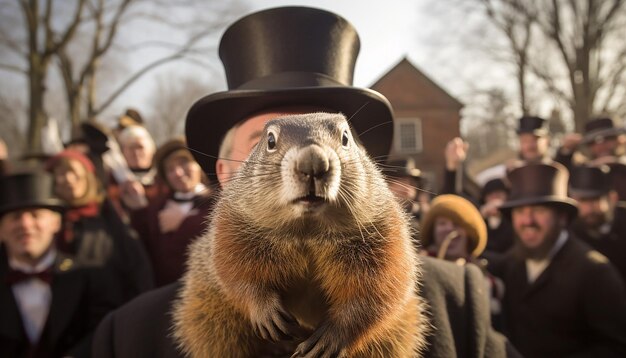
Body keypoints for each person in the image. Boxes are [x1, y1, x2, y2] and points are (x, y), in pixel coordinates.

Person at [93, 7, 519, 358]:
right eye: (266, 142)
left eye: (342, 139)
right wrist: (255, 300)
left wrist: (352, 324)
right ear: (225, 175)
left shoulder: (458, 303)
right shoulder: (131, 335)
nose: (315, 159)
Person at [490, 162, 626, 357]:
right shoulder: (511, 263)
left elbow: (618, 347)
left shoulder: (595, 272)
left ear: (561, 217)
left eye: (539, 210)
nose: (527, 221)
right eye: (520, 212)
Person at [0, 171, 119, 357]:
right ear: (1, 230)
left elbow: (104, 331)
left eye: (35, 215)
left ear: (56, 223)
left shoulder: (90, 276)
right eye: (15, 217)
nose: (25, 225)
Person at [45, 149, 153, 301]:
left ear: (88, 177)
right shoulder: (47, 220)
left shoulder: (109, 214)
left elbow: (137, 269)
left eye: (74, 172)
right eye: (61, 174)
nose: (69, 179)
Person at [124, 138, 213, 287]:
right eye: (170, 169)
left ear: (198, 165)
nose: (178, 173)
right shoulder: (158, 208)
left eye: (184, 162)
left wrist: (184, 223)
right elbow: (144, 252)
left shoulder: (218, 200)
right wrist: (138, 212)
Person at [568, 165, 626, 282]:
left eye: (595, 200)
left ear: (612, 199)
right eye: (582, 200)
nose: (588, 209)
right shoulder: (569, 230)